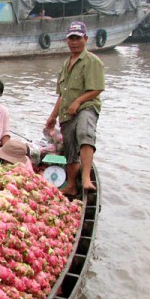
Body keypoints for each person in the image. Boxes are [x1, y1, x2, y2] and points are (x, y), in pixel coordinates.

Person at [45, 21, 104, 195]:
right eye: (71, 38)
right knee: (70, 149)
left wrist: (78, 102)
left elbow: (97, 88)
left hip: (86, 108)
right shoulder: (65, 64)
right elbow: (62, 95)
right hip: (66, 114)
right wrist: (52, 116)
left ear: (85, 39)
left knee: (85, 133)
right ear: (67, 40)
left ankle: (85, 177)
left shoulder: (92, 61)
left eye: (78, 38)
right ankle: (71, 185)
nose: (74, 42)